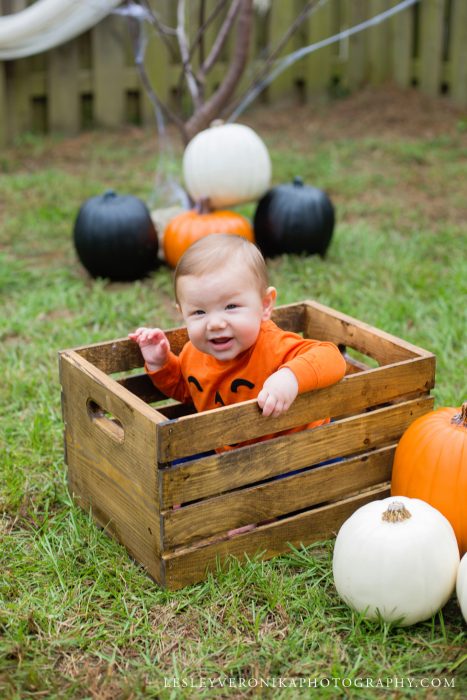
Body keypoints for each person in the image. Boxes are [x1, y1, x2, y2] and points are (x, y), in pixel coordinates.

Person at [129, 233, 346, 437]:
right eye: (199, 312)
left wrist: (290, 377)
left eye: (231, 306)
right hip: (232, 458)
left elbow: (332, 357)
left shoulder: (273, 346)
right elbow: (189, 391)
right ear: (182, 313)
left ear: (265, 305)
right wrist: (160, 363)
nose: (214, 324)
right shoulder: (192, 354)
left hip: (301, 452)